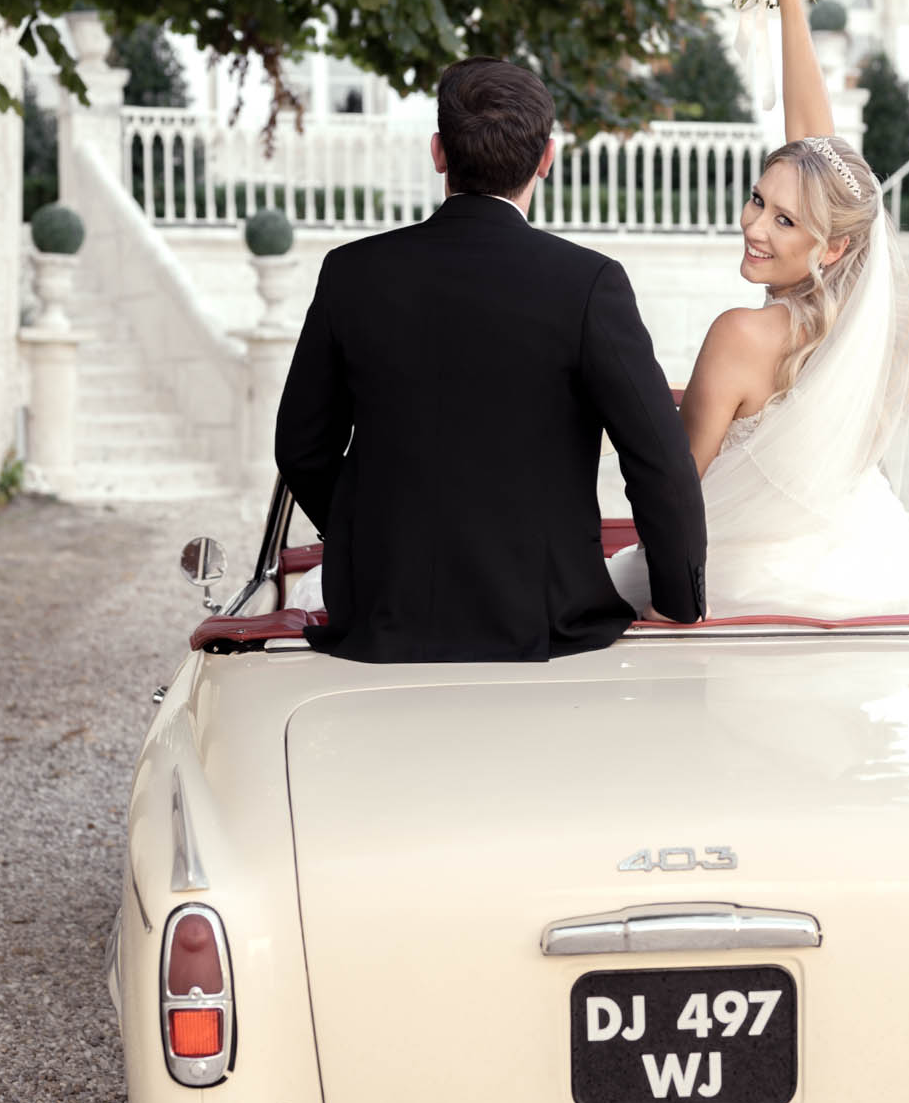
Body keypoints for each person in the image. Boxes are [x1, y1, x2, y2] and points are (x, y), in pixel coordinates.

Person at [276, 57, 706, 663]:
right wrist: (679, 603)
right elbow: (658, 460)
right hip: (546, 617)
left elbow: (301, 448)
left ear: (438, 152)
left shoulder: (351, 272)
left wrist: (370, 537)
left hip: (383, 609)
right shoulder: (588, 283)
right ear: (547, 159)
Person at [608, 0, 909, 621]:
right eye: (757, 199)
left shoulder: (742, 334)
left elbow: (674, 494)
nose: (754, 226)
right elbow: (816, 152)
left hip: (749, 576)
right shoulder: (886, 318)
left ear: (834, 245)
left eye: (784, 220)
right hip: (880, 567)